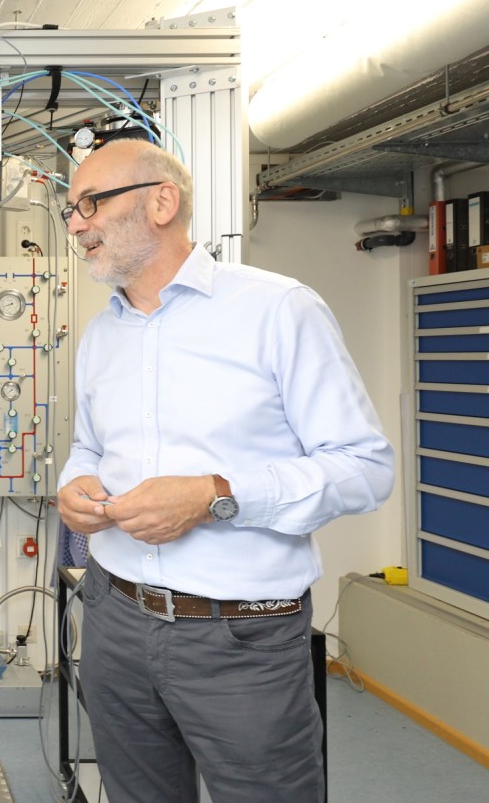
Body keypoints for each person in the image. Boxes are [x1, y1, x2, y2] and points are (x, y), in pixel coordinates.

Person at [55, 139, 394, 803]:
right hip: (113, 617)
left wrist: (216, 497)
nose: (75, 224)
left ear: (162, 201)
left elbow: (365, 467)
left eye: (90, 203)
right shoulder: (103, 333)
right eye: (70, 209)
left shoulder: (277, 310)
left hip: (240, 636)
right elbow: (89, 445)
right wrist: (75, 482)